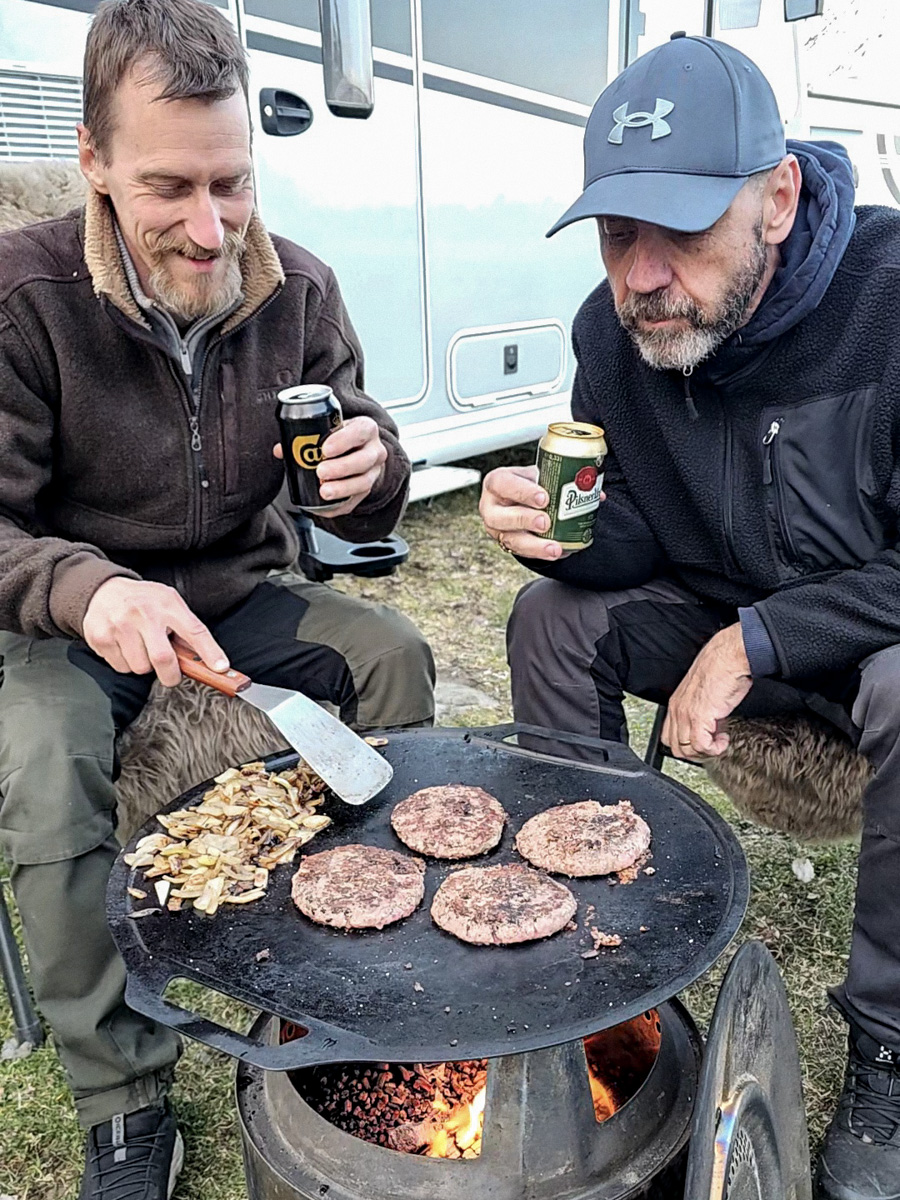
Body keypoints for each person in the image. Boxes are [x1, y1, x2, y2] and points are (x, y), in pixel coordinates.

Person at [0, 0, 434, 1194]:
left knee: (393, 660)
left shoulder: (296, 288)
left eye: (233, 185)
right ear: (92, 161)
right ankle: (126, 1097)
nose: (210, 230)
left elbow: (362, 473)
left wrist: (370, 471)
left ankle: (345, 982)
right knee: (43, 759)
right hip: (73, 624)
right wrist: (87, 588)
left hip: (240, 595)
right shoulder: (21, 298)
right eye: (169, 189)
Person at [480, 31, 900, 1200]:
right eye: (619, 235)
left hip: (868, 642)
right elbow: (633, 545)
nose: (643, 274)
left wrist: (756, 639)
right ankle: (604, 978)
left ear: (779, 197)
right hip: (720, 621)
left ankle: (890, 1053)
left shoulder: (889, 304)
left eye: (681, 229)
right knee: (551, 618)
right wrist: (558, 527)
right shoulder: (607, 336)